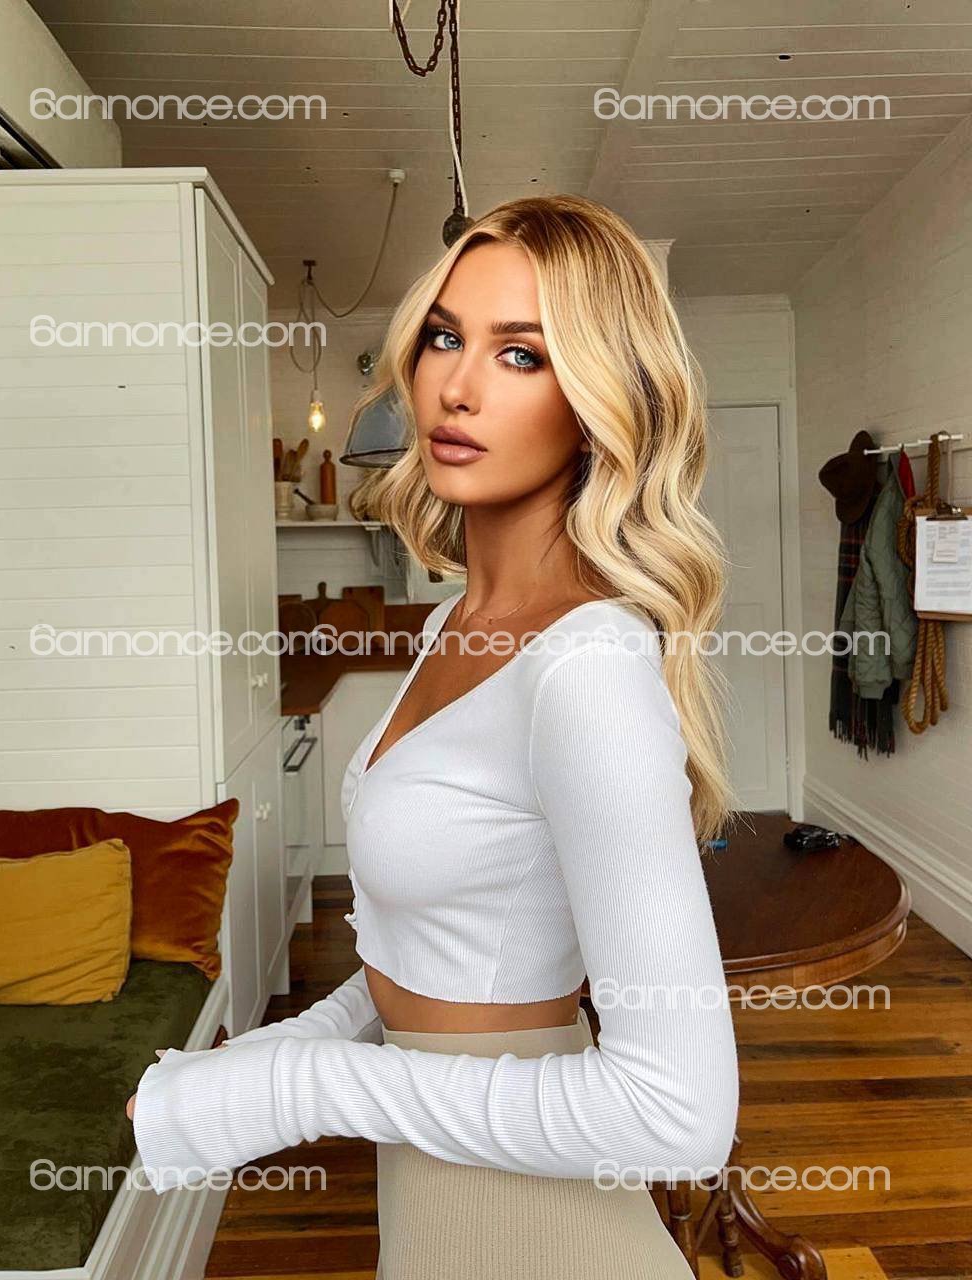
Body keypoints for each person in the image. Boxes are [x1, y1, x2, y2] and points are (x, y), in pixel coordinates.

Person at [126, 194, 739, 1279]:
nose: (457, 386)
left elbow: (678, 1115)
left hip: (541, 1234)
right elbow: (421, 961)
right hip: (436, 1196)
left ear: (602, 399)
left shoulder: (585, 666)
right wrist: (243, 1068)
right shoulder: (455, 621)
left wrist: (295, 1088)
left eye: (522, 354)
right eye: (446, 338)